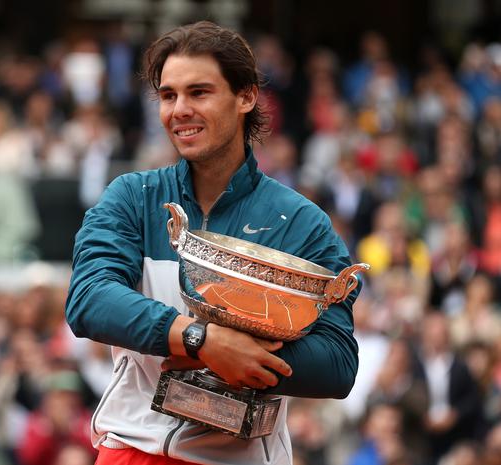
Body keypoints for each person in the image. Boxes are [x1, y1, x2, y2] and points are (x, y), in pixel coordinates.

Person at [65, 21, 361, 465]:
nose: (179, 109)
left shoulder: (301, 222)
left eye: (199, 92)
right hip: (133, 450)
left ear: (246, 97)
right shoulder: (132, 196)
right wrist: (200, 340)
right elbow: (89, 299)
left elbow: (338, 363)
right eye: (168, 96)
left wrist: (241, 359)